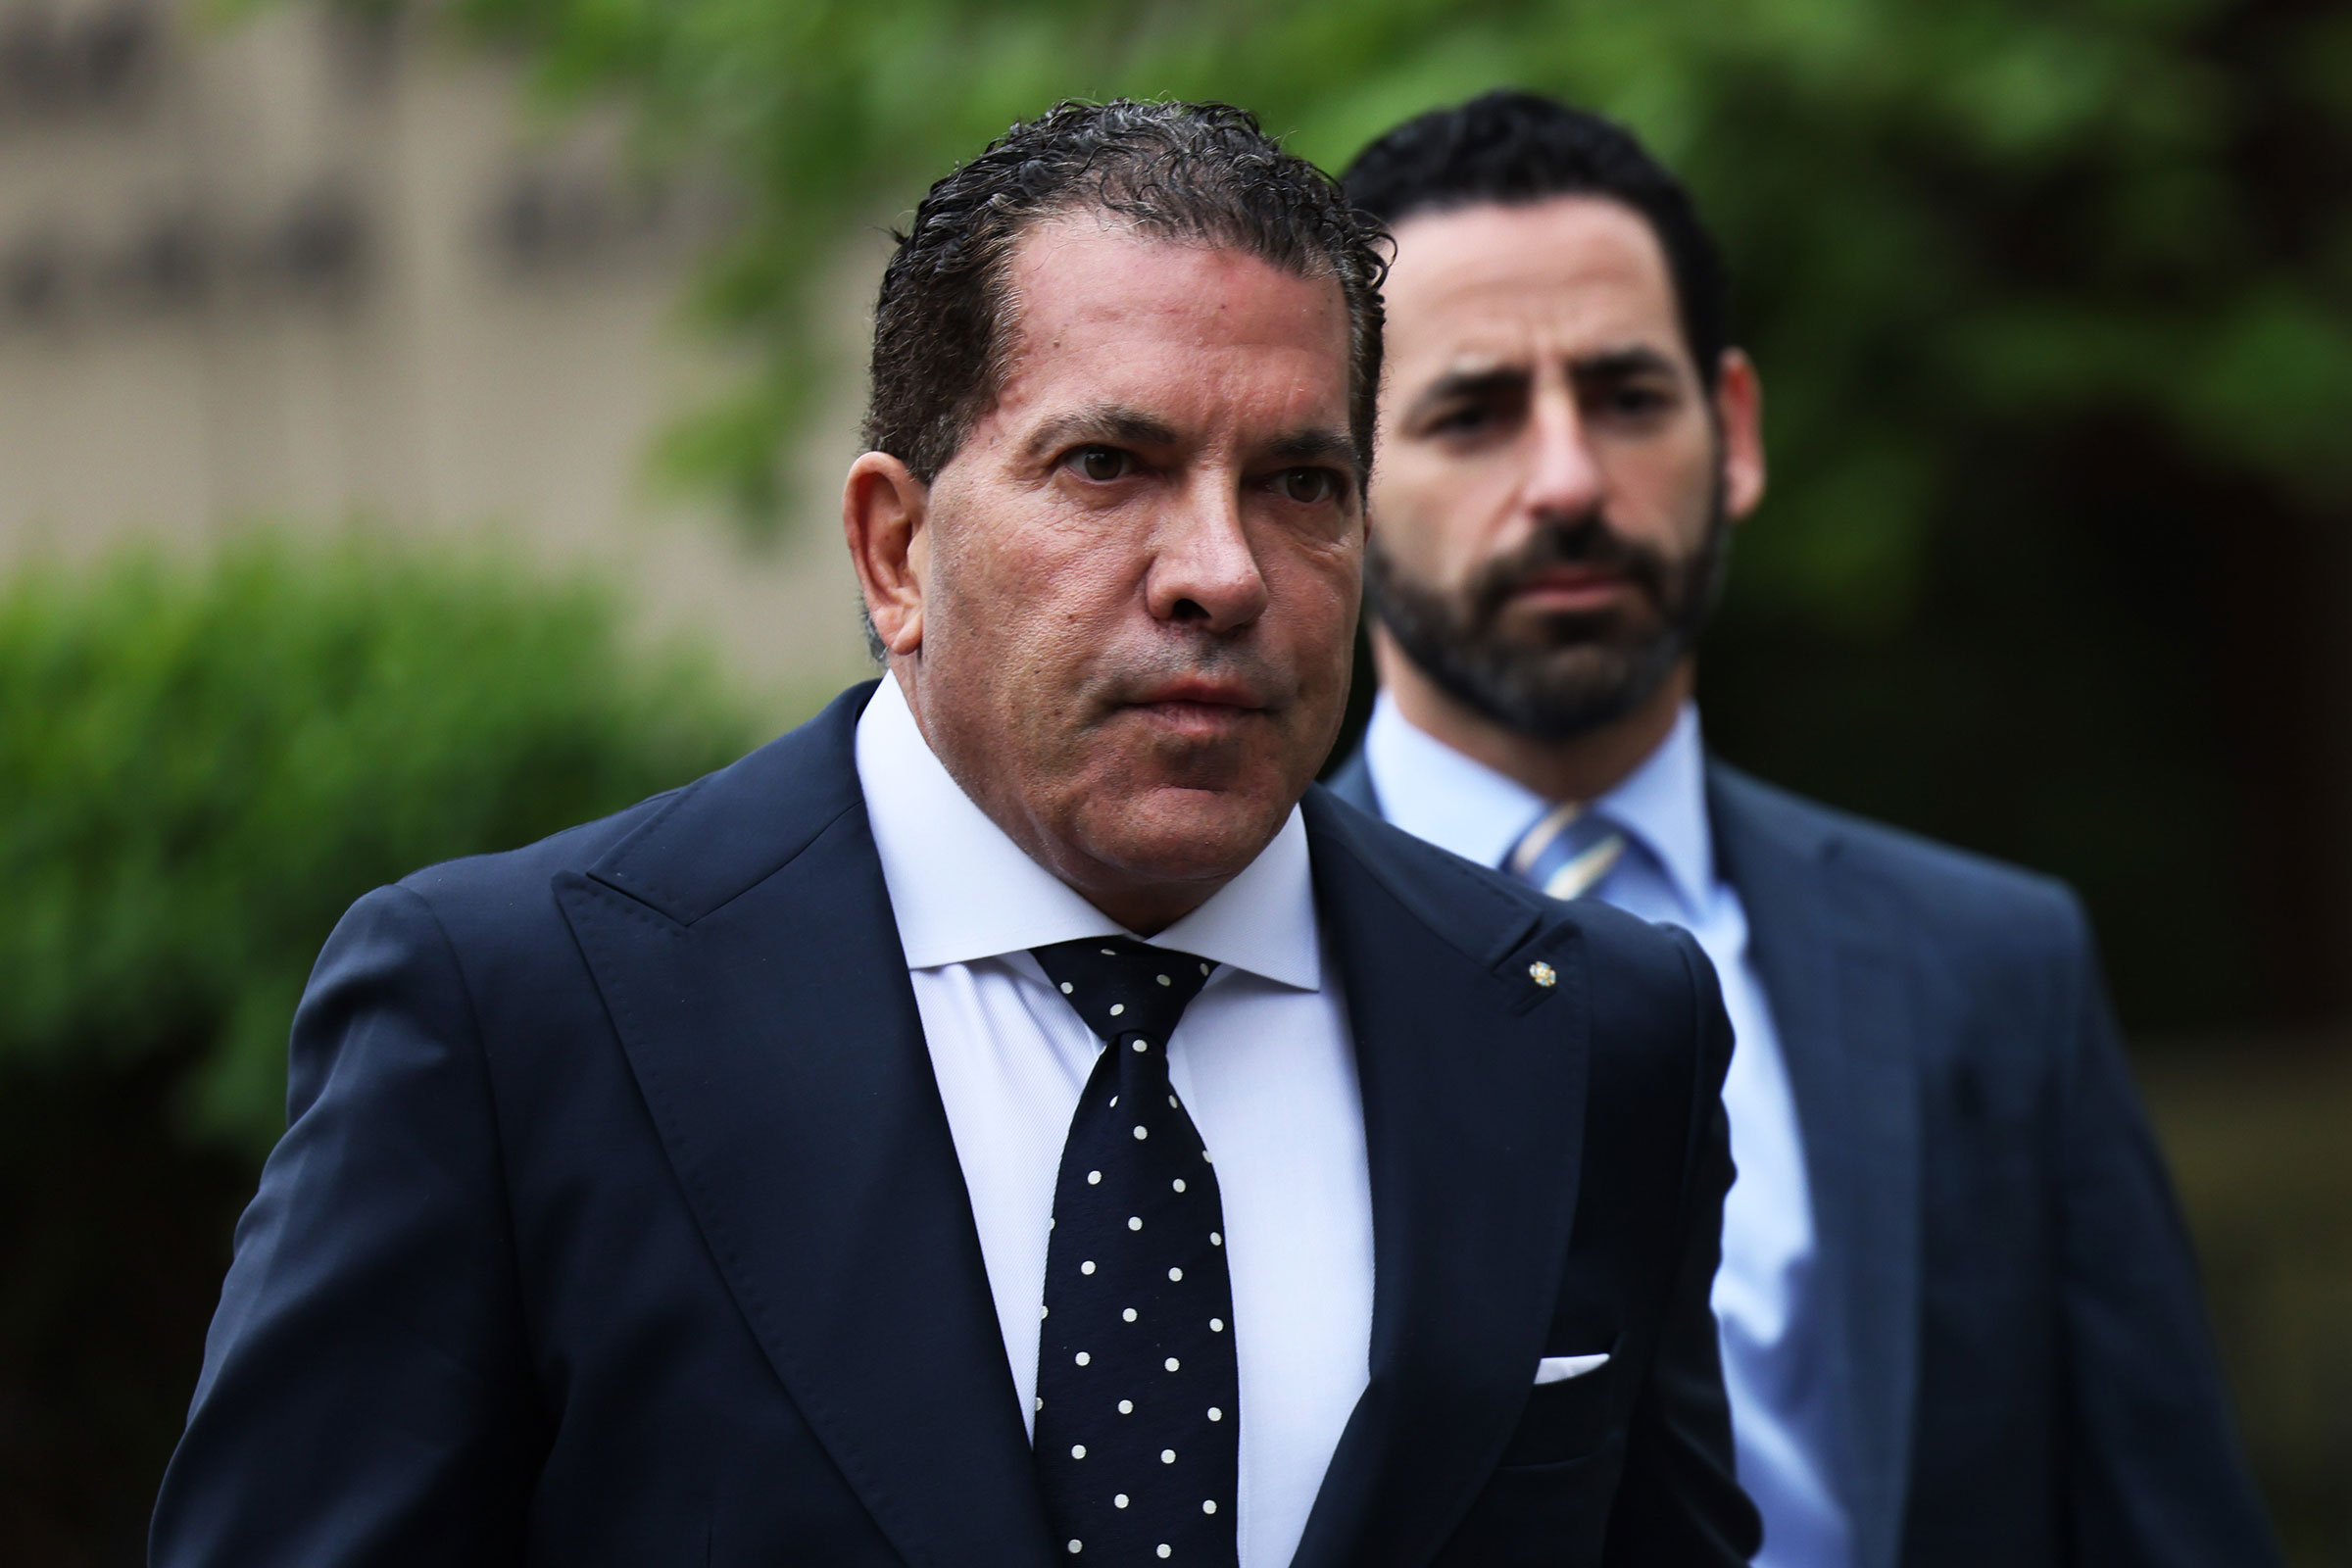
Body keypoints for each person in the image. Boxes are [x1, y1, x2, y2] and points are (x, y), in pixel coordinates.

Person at [150, 100, 1761, 1567]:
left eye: (1299, 483)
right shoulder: (513, 1019)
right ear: (894, 550)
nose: (1223, 571)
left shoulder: (1597, 1036)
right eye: (1109, 465)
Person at [1329, 90, 2279, 1568]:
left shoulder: (1993, 966)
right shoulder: (1222, 958)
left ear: (1739, 433)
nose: (1569, 480)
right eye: (1473, 411)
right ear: (1336, 477)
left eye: (1628, 397)